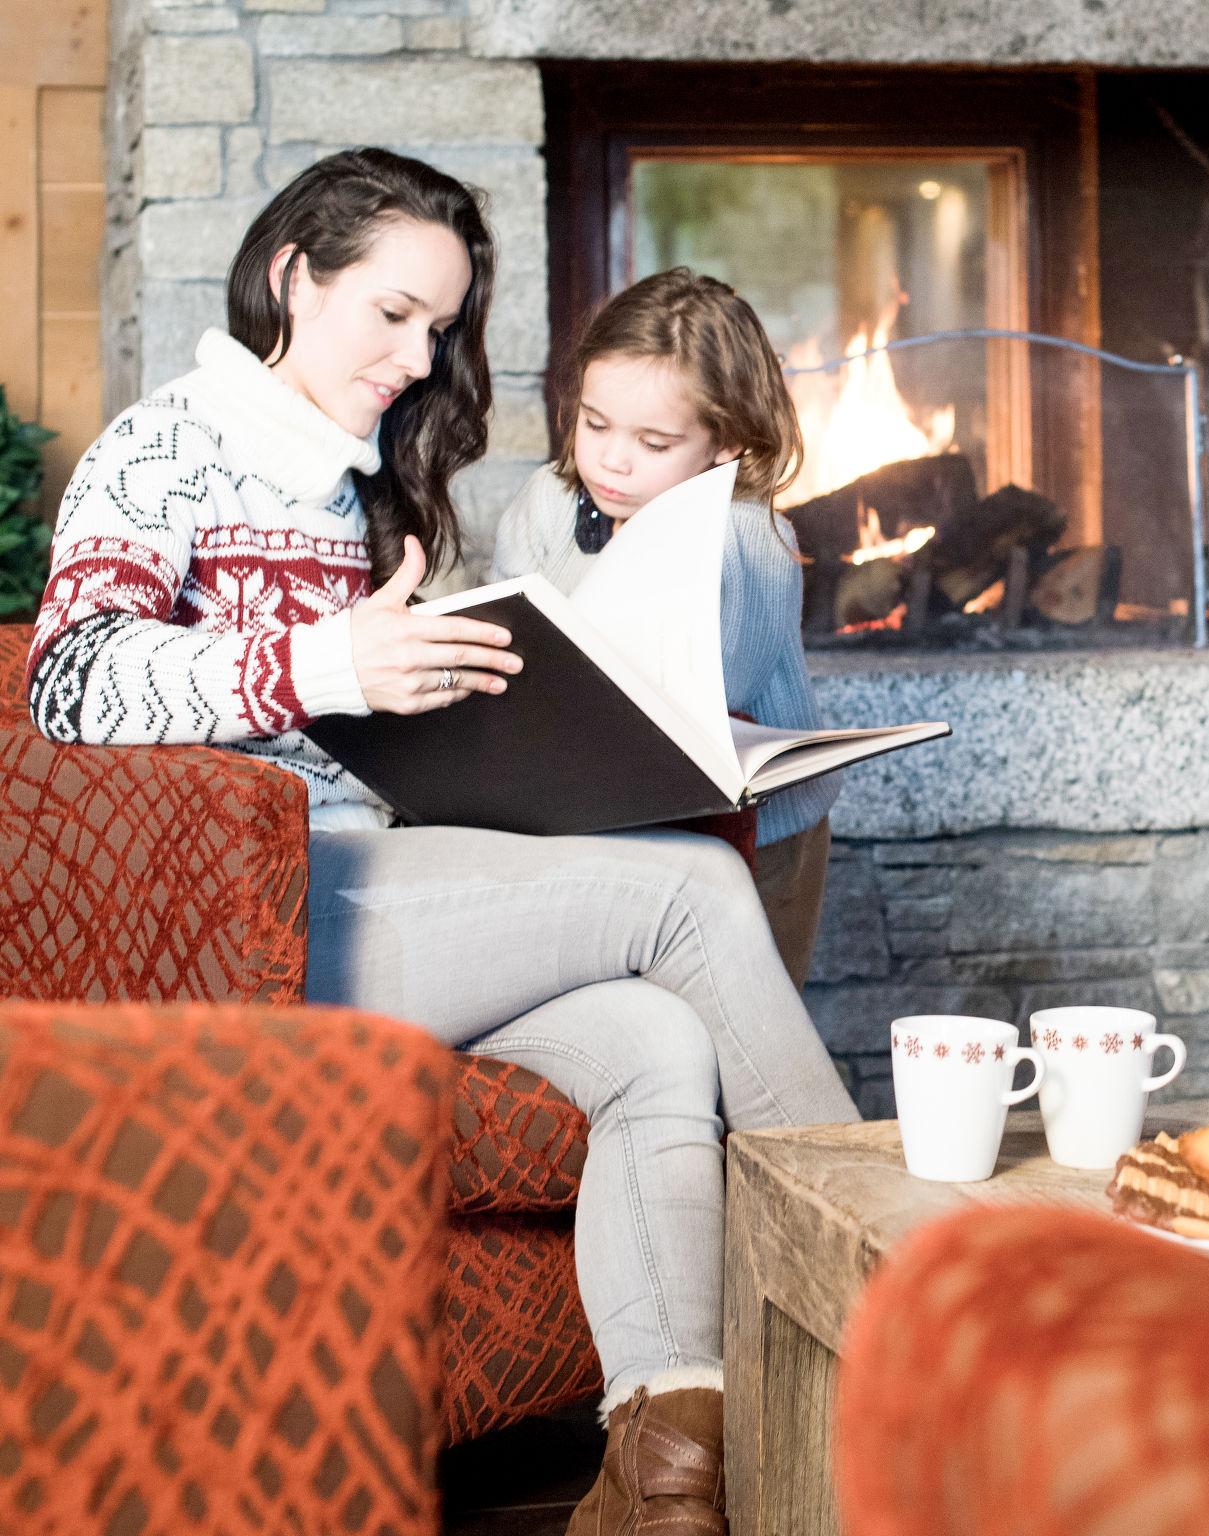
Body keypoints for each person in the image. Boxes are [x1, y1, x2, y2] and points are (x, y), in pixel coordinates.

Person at [26, 146, 853, 1536]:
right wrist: (334, 659)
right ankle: (909, 1292)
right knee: (698, 892)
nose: (420, 356)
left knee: (658, 1041)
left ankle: (665, 1484)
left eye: (442, 327)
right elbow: (70, 682)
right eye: (393, 314)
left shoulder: (350, 474)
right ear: (296, 275)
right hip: (267, 918)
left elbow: (382, 721)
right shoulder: (168, 447)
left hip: (386, 876)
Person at [490, 268, 835, 988]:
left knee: (739, 1031)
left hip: (755, 833)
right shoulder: (548, 503)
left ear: (726, 444)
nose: (612, 460)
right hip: (590, 815)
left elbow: (694, 690)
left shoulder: (749, 540)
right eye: (595, 423)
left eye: (653, 442)